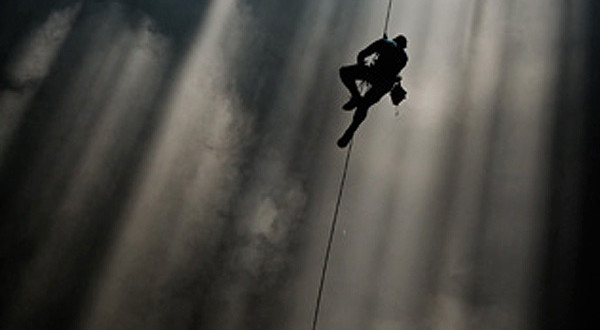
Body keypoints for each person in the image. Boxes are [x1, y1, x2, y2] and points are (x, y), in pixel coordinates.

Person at [337, 34, 408, 148]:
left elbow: (361, 55)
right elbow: (393, 70)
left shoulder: (384, 43)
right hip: (384, 84)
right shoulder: (404, 58)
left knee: (344, 72)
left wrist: (362, 65)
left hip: (373, 74)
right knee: (365, 105)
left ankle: (356, 96)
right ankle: (351, 130)